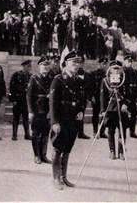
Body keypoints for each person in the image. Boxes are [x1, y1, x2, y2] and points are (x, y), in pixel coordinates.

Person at [49, 50, 84, 190]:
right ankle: (56, 178)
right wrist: (54, 122)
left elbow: (82, 99)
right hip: (61, 120)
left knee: (68, 149)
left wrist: (81, 110)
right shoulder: (58, 79)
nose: (76, 65)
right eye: (73, 62)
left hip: (73, 121)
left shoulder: (78, 80)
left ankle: (64, 177)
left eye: (78, 62)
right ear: (66, 63)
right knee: (58, 148)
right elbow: (52, 102)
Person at [100, 60, 131, 160]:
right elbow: (102, 97)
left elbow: (129, 95)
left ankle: (121, 152)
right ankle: (112, 151)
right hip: (110, 109)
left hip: (122, 109)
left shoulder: (124, 80)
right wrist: (103, 110)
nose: (116, 70)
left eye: (118, 68)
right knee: (111, 130)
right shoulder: (105, 81)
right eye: (114, 68)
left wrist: (125, 104)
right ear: (110, 69)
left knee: (122, 131)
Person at [27, 56, 53, 164]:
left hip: (47, 110)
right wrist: (30, 111)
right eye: (43, 65)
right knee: (36, 134)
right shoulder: (34, 78)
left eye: (47, 65)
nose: (45, 67)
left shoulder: (52, 78)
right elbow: (29, 96)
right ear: (39, 66)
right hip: (37, 109)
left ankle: (43, 155)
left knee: (46, 134)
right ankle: (36, 155)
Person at [9, 60, 32, 140]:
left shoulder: (31, 76)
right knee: (16, 118)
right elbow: (11, 88)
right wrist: (13, 100)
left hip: (26, 101)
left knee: (26, 118)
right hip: (18, 100)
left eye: (30, 66)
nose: (29, 68)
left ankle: (27, 134)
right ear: (23, 66)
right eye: (28, 66)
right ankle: (14, 135)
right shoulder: (16, 75)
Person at [123, 54, 137, 138]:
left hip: (132, 97)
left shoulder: (134, 72)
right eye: (128, 61)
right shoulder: (122, 71)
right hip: (125, 97)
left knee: (134, 113)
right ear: (124, 62)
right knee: (124, 114)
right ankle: (123, 132)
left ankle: (132, 131)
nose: (129, 63)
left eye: (131, 61)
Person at [90, 58, 108, 138]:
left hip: (104, 98)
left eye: (105, 64)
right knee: (95, 114)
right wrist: (91, 96)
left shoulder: (107, 74)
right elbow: (90, 86)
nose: (104, 65)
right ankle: (95, 131)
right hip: (96, 97)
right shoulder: (93, 74)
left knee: (104, 114)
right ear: (99, 64)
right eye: (102, 64)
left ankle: (102, 131)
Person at [75, 65, 92, 139]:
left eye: (81, 63)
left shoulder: (87, 75)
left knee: (81, 115)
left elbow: (89, 87)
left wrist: (89, 98)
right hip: (74, 98)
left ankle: (81, 133)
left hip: (83, 98)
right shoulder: (73, 75)